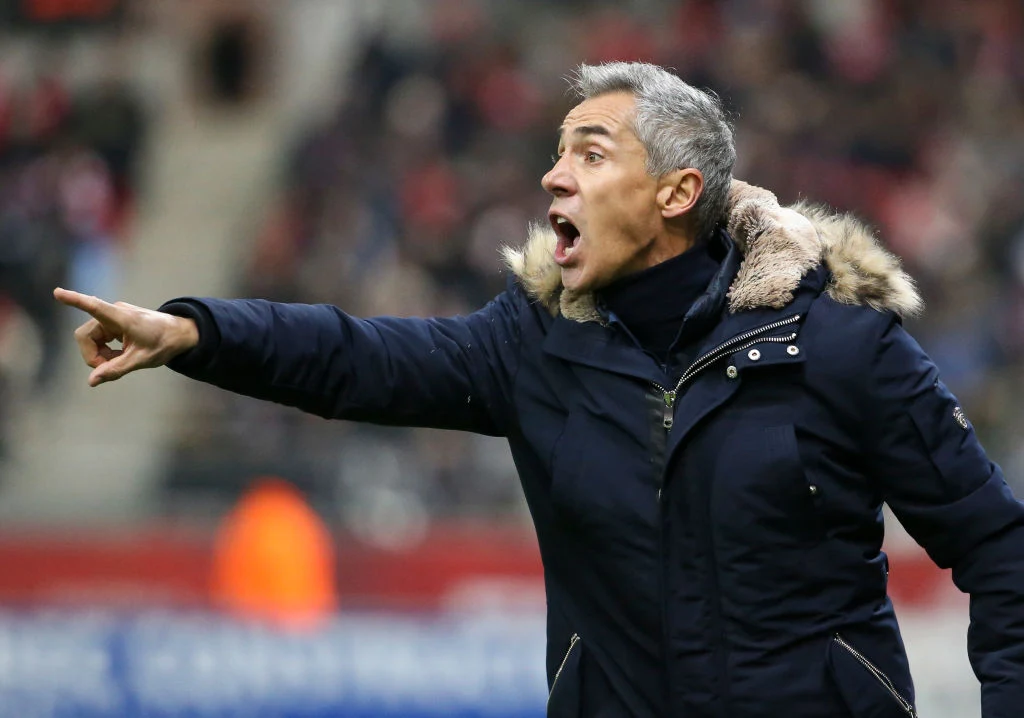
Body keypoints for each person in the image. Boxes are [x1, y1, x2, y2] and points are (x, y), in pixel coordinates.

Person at [55, 62, 1024, 718]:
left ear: (677, 193)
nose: (554, 176)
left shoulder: (840, 344)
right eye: (558, 152)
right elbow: (358, 357)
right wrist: (198, 332)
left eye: (591, 153)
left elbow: (1000, 549)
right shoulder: (532, 346)